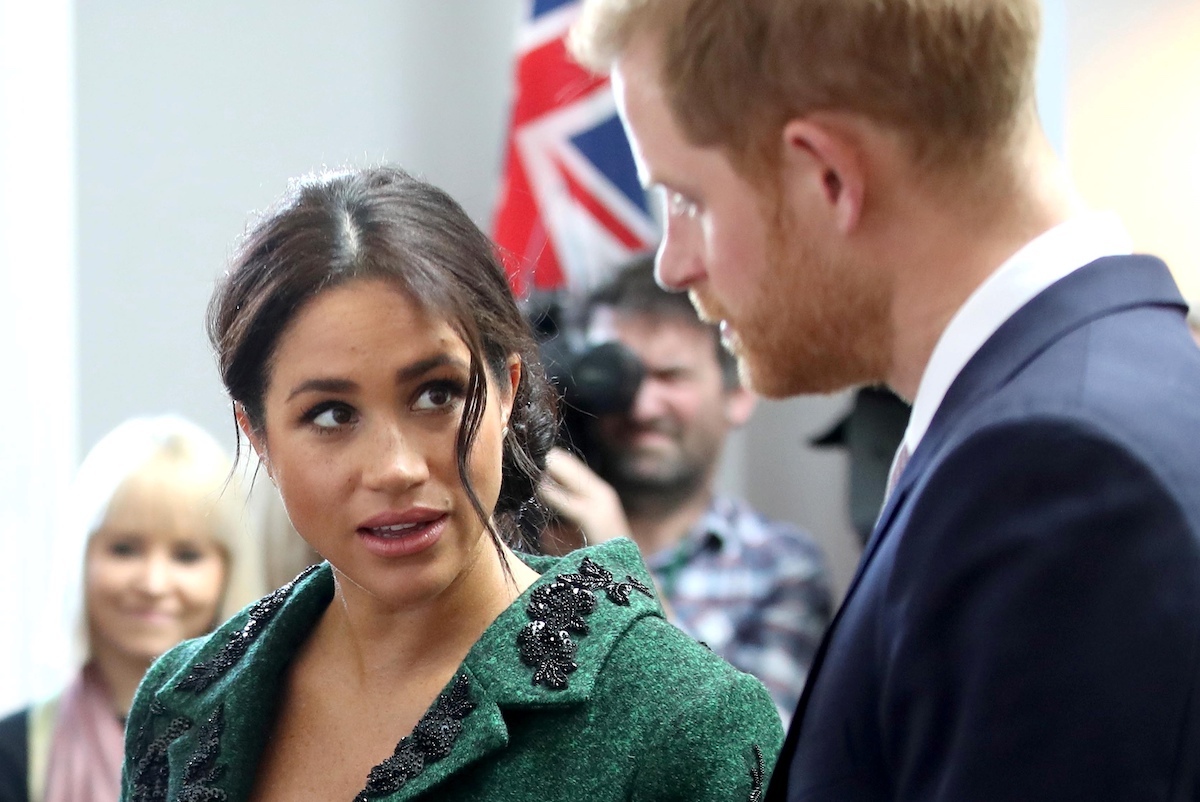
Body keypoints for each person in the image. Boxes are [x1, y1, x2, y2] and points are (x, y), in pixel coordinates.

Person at [570, 1, 1200, 799]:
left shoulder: (1060, 472)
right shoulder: (1075, 413)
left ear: (827, 177)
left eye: (686, 199)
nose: (673, 264)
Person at [120, 166, 782, 802]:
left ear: (507, 390)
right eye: (331, 415)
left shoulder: (682, 720)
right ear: (259, 436)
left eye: (436, 395)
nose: (395, 468)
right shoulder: (182, 704)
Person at [537, 254, 832, 723]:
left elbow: (758, 751)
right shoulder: (525, 534)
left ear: (737, 393)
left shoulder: (778, 567)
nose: (641, 406)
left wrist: (620, 571)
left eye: (669, 376)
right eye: (620, 374)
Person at [0, 415, 263, 802]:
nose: (153, 584)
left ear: (229, 569)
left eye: (187, 555)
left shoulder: (277, 740)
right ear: (80, 559)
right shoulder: (14, 752)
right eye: (124, 549)